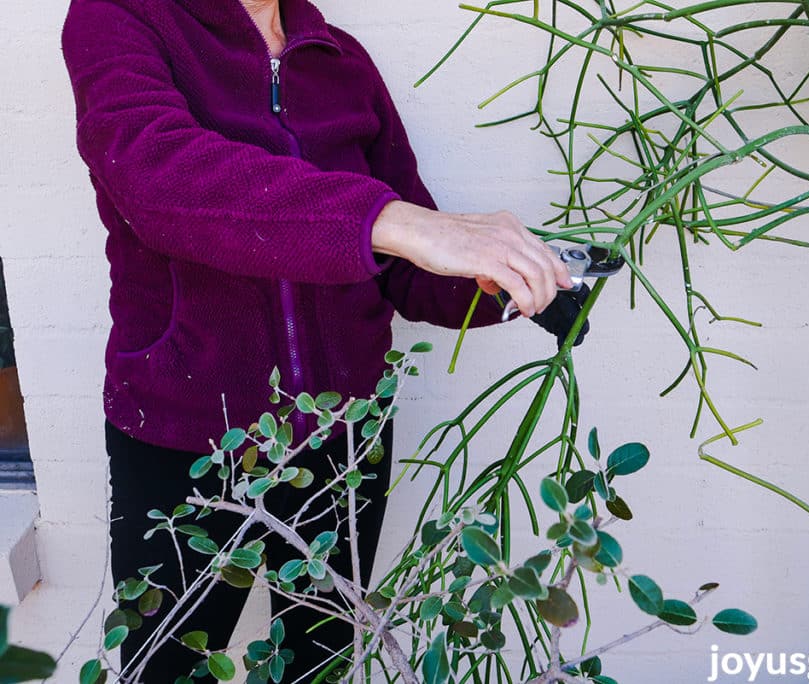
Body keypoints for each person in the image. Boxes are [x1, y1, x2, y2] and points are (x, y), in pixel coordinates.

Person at [61, 0, 589, 679]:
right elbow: (158, 177)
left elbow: (403, 264)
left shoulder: (339, 61)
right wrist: (403, 223)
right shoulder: (119, 18)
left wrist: (509, 281)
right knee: (166, 667)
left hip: (344, 437)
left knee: (320, 661)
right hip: (183, 434)